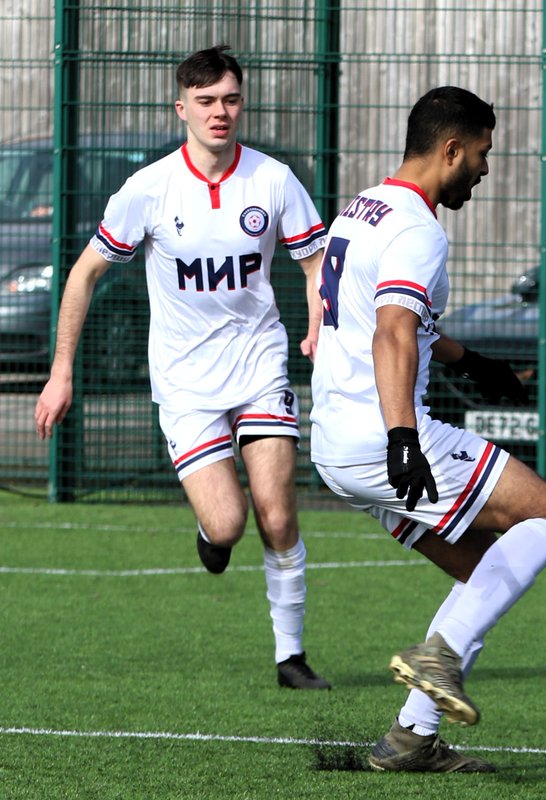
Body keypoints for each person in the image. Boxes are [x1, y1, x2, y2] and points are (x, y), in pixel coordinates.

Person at [34, 45, 330, 691]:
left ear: (240, 103)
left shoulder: (274, 180)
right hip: (185, 383)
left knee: (278, 515)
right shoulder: (147, 189)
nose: (220, 113)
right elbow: (83, 275)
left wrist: (316, 325)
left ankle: (292, 657)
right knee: (228, 524)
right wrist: (61, 372)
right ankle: (211, 528)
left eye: (230, 100)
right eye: (206, 102)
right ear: (182, 109)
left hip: (260, 365)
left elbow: (315, 266)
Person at [309, 85, 546, 773]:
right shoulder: (419, 229)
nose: (483, 171)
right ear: (451, 149)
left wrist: (470, 361)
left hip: (336, 443)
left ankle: (410, 739)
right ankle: (437, 662)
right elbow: (393, 331)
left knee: (485, 575)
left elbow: (389, 318)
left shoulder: (362, 209)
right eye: (481, 155)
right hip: (385, 434)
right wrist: (404, 437)